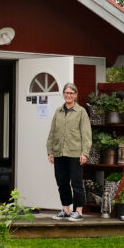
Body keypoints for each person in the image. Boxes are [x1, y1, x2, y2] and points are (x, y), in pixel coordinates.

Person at [46, 82, 92, 220]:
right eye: (66, 93)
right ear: (63, 94)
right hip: (59, 153)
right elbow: (52, 133)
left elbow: (86, 134)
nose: (69, 95)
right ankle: (66, 209)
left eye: (71, 93)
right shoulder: (58, 112)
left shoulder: (81, 112)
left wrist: (85, 153)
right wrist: (50, 151)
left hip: (75, 153)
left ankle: (78, 211)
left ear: (76, 95)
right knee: (62, 182)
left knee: (76, 182)